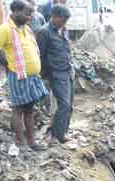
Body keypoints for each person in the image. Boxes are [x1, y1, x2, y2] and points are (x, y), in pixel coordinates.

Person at [0, 0, 49, 151]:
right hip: (19, 76)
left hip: (31, 76)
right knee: (18, 109)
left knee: (29, 109)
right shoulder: (5, 29)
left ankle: (32, 142)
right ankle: (21, 143)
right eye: (27, 13)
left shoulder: (25, 29)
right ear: (15, 11)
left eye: (31, 13)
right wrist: (7, 65)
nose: (30, 17)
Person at [36, 4, 74, 143]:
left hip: (68, 70)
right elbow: (40, 54)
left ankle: (62, 131)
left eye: (66, 21)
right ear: (54, 16)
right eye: (62, 20)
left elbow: (67, 49)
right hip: (56, 73)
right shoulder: (44, 32)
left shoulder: (63, 29)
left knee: (69, 105)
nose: (64, 24)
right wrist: (45, 74)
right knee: (64, 105)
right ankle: (57, 136)